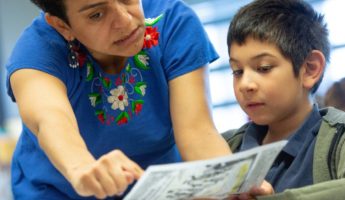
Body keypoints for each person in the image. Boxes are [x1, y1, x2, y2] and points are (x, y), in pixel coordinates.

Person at [5, 0, 232, 199]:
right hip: (59, 191)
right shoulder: (36, 52)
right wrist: (82, 168)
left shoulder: (172, 21)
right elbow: (50, 120)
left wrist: (230, 187)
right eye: (97, 15)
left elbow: (198, 134)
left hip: (160, 187)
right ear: (63, 26)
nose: (124, 20)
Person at [222, 0, 345, 199]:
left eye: (263, 68)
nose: (245, 84)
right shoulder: (226, 145)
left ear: (310, 69)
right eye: (237, 71)